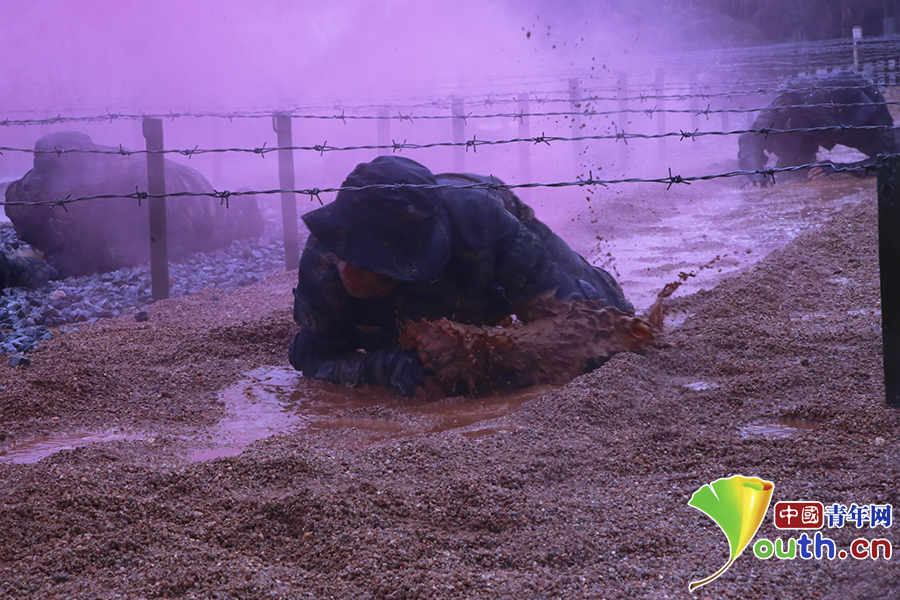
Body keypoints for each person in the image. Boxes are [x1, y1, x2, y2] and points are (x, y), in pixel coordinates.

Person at [288, 155, 633, 397]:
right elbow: (312, 356)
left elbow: (575, 329)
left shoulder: (484, 225)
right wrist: (389, 367)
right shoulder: (322, 261)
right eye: (345, 252)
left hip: (486, 226)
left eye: (370, 264)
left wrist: (486, 358)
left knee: (605, 321)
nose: (349, 270)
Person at [4, 131, 265, 277]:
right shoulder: (36, 183)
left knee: (217, 228)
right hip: (124, 207)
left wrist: (88, 259)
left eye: (69, 191)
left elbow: (165, 244)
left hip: (185, 196)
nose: (59, 197)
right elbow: (18, 207)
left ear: (90, 182)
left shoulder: (136, 180)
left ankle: (245, 205)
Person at [738, 71, 898, 187]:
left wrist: (844, 169)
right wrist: (756, 174)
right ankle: (799, 160)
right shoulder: (793, 96)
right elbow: (754, 137)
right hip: (806, 131)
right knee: (795, 168)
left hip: (857, 131)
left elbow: (893, 157)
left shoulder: (870, 95)